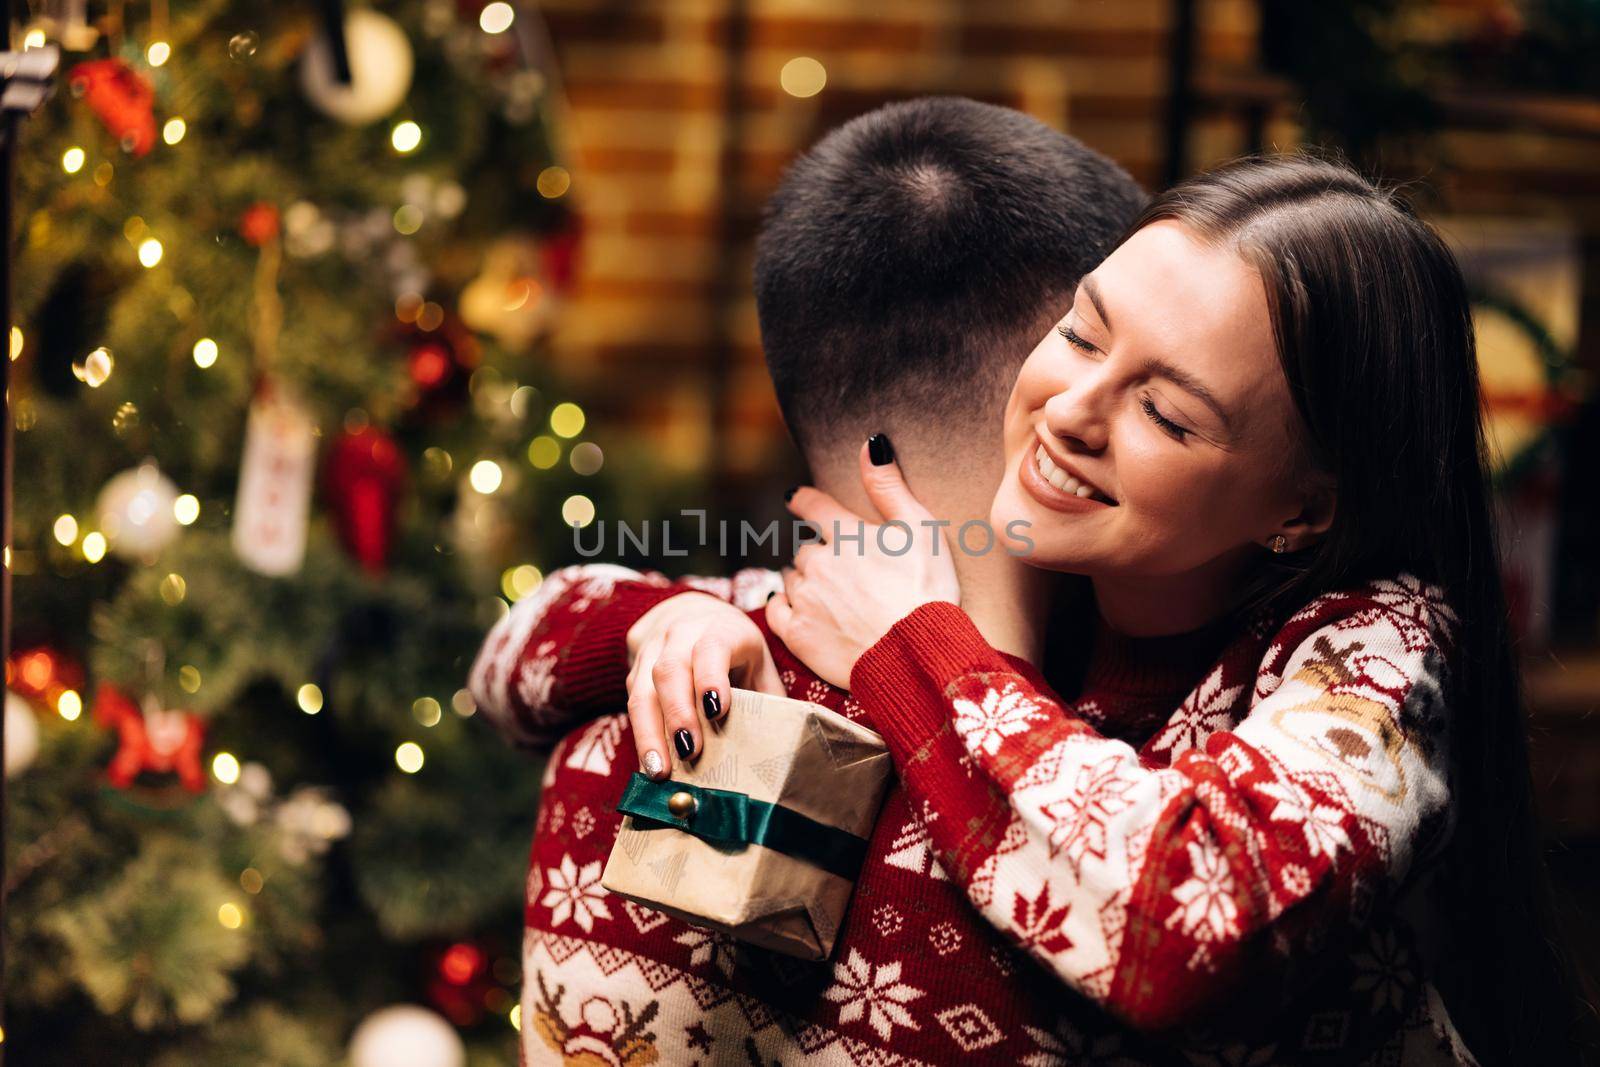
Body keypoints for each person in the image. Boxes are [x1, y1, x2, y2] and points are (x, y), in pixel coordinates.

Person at [479, 155, 1593, 1065]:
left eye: (1165, 410)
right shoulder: (1030, 582)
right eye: (1082, 330)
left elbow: (1172, 927)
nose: (1070, 409)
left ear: (1302, 509)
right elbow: (514, 661)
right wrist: (664, 626)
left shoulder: (1374, 652)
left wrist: (918, 645)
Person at [472, 97, 1164, 1064]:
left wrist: (675, 613)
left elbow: (512, 655)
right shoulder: (1142, 817)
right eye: (1094, 341)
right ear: (1058, 394)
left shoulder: (625, 733)